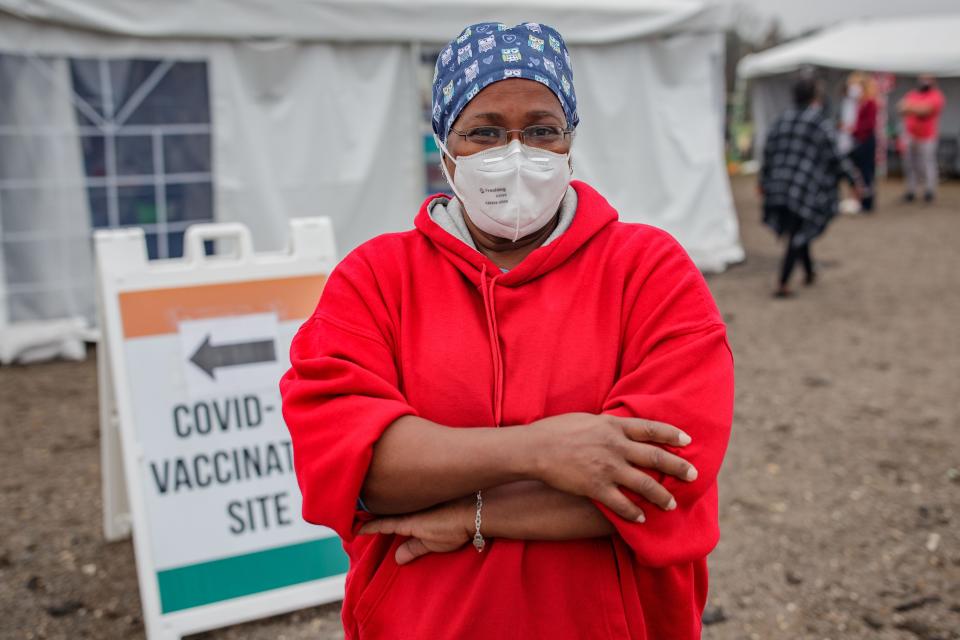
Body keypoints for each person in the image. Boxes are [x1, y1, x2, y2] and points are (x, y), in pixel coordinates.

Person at [280, 21, 734, 640]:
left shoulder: (648, 270)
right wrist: (543, 451)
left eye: (542, 129)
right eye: (485, 131)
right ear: (444, 144)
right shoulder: (376, 279)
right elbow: (349, 465)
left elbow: (665, 476)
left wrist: (473, 511)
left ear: (570, 139)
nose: (515, 152)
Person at [759, 75, 862, 298]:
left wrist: (763, 181)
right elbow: (836, 157)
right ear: (815, 95)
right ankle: (782, 282)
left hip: (779, 186)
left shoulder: (781, 119)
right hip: (803, 188)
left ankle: (809, 272)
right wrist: (855, 182)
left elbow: (766, 153)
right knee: (798, 233)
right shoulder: (818, 121)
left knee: (798, 230)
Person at [898, 74, 946, 203]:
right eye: (922, 78)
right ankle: (911, 191)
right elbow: (900, 108)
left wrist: (911, 108)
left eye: (927, 79)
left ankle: (929, 191)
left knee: (927, 164)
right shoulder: (912, 94)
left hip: (927, 136)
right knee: (909, 165)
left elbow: (925, 110)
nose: (924, 81)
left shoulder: (936, 95)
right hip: (910, 135)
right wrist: (915, 108)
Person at [847, 74, 878, 212]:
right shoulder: (857, 104)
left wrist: (854, 129)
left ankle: (867, 202)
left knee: (866, 172)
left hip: (866, 141)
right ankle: (859, 199)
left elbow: (869, 124)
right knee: (858, 172)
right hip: (859, 140)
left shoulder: (870, 103)